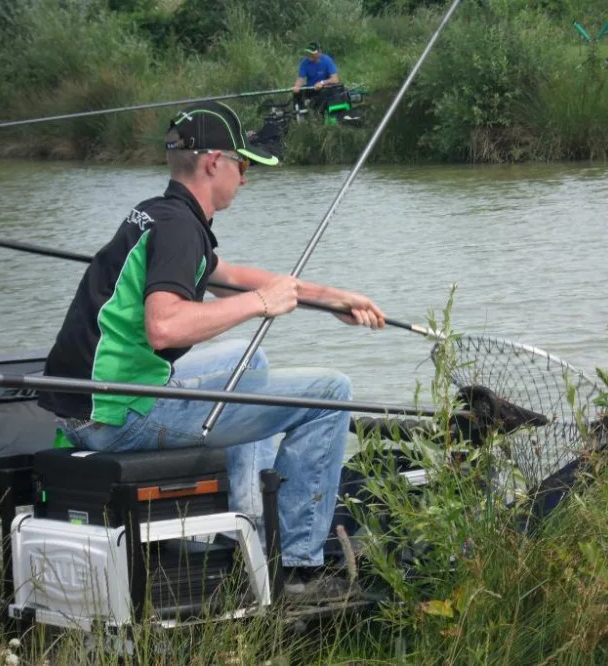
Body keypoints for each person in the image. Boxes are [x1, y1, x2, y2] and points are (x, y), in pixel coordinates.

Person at [36, 100, 386, 603]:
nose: (245, 179)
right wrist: (259, 304)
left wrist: (331, 298)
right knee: (331, 393)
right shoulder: (181, 228)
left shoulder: (162, 214)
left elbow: (234, 277)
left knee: (248, 358)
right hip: (122, 416)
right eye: (242, 166)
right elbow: (165, 326)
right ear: (212, 162)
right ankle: (300, 571)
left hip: (88, 403)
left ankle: (243, 523)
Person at [292, 41, 340, 114]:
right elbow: (300, 79)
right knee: (297, 93)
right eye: (309, 52)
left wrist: (322, 83)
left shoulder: (327, 60)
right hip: (311, 88)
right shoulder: (304, 63)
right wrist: (297, 86)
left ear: (319, 52)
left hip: (325, 88)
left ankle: (317, 112)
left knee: (324, 92)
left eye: (312, 53)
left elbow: (335, 79)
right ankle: (299, 114)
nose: (309, 55)